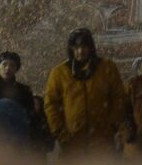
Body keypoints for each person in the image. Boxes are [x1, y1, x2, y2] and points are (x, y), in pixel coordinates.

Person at [43, 28, 130, 156]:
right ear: (71, 49)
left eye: (84, 47)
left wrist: (112, 125)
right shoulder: (60, 72)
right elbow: (51, 104)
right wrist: (60, 133)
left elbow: (118, 97)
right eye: (76, 47)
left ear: (91, 48)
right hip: (72, 141)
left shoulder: (107, 68)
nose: (80, 51)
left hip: (102, 140)